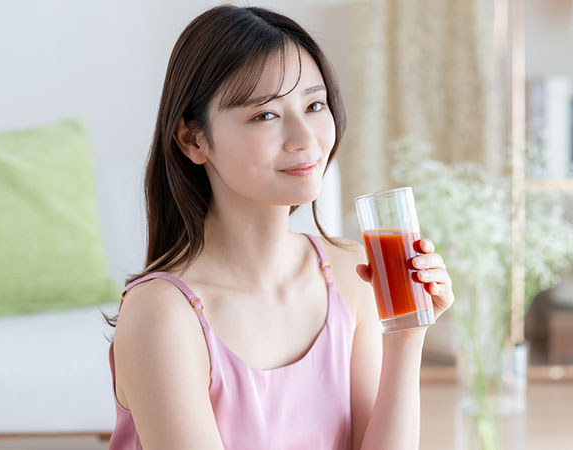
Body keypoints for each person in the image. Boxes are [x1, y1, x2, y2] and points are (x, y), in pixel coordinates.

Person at [105, 5, 455, 450]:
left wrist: (407, 335)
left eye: (314, 104)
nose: (305, 137)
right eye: (265, 115)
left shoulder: (352, 274)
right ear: (193, 139)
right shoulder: (162, 315)